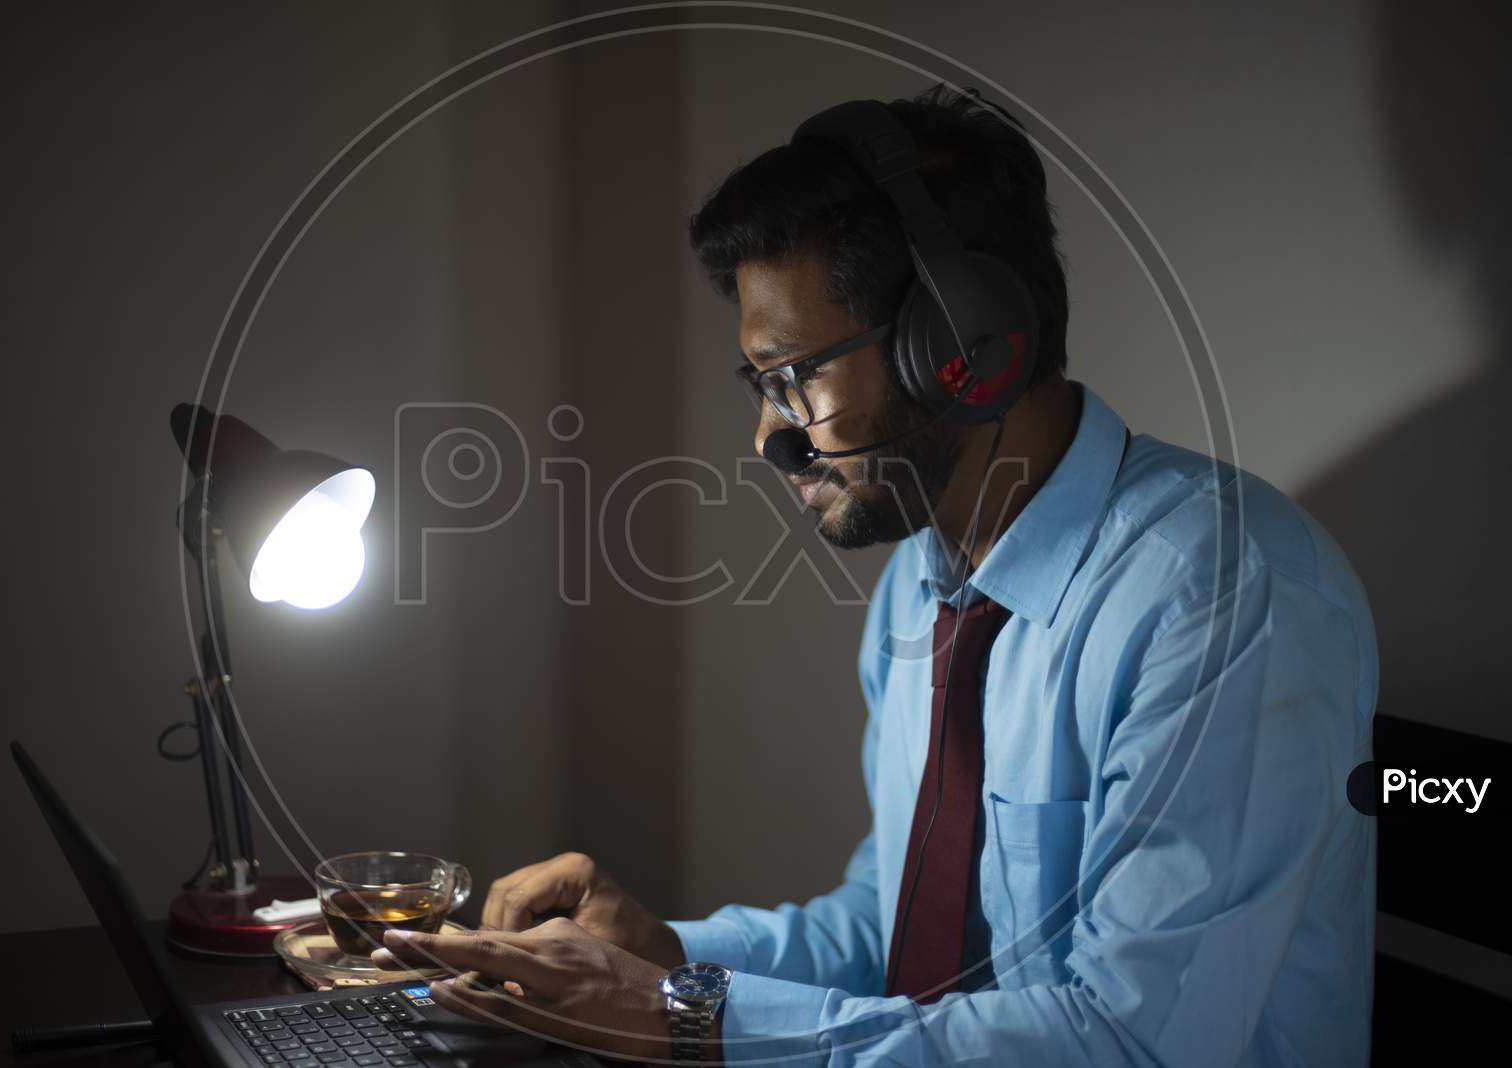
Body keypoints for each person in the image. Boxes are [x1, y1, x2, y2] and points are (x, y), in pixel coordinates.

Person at [372, 84, 1378, 1066]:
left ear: (960, 350)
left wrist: (683, 1018)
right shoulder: (924, 583)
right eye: (760, 384)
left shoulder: (1219, 597)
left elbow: (1132, 1041)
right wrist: (664, 959)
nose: (769, 435)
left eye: (794, 376)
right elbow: (894, 933)